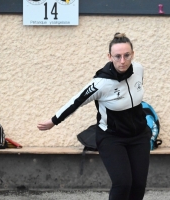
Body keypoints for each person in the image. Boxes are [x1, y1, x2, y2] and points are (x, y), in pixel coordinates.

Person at [37, 33, 152, 200]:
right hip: (112, 138)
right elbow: (76, 101)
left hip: (139, 136)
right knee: (123, 184)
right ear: (109, 56)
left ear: (132, 54)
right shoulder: (101, 83)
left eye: (127, 55)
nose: (122, 61)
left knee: (138, 185)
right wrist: (54, 121)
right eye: (117, 56)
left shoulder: (139, 69)